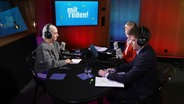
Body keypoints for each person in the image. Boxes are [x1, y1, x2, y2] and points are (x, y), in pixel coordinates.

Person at [98, 26, 159, 104]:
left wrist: (105, 74)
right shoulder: (144, 50)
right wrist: (115, 70)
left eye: (133, 40)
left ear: (141, 41)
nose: (130, 42)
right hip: (139, 84)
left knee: (112, 95)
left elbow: (126, 78)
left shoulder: (146, 56)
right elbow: (130, 65)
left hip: (142, 92)